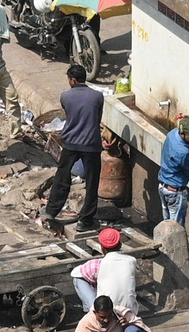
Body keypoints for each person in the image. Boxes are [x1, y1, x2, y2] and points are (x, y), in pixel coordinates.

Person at [44, 63, 108, 231]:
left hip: (71, 143)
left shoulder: (65, 96)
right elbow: (97, 117)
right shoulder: (98, 96)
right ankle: (85, 220)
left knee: (62, 176)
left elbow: (70, 114)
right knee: (92, 182)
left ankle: (51, 211)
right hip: (91, 144)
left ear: (73, 80)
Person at [69, 226, 140, 317]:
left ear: (102, 249)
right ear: (120, 245)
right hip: (130, 312)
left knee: (78, 279)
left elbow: (75, 273)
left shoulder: (98, 264)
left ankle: (93, 313)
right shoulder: (131, 260)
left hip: (107, 313)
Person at [156, 120, 189, 228]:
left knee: (166, 225)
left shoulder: (172, 134)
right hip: (175, 193)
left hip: (163, 187)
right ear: (182, 133)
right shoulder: (182, 151)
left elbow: (181, 159)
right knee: (175, 229)